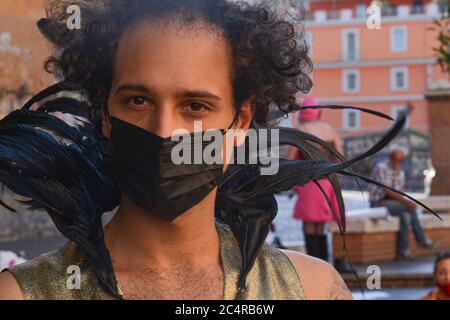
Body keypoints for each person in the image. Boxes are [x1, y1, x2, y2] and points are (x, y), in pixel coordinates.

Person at [0, 0, 355, 300]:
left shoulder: (311, 289)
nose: (164, 130)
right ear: (104, 112)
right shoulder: (23, 293)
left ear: (241, 121)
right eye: (138, 100)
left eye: (195, 106)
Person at [289, 97, 342, 262]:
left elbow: (289, 160)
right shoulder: (330, 130)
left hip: (308, 183)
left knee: (309, 226)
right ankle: (325, 263)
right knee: (320, 227)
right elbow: (340, 159)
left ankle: (313, 264)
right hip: (327, 183)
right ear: (319, 111)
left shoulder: (301, 130)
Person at [369, 148, 437, 261]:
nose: (399, 162)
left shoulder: (400, 172)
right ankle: (421, 239)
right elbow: (387, 190)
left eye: (401, 160)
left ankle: (403, 251)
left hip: (393, 204)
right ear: (391, 158)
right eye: (397, 159)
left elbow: (400, 190)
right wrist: (407, 202)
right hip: (378, 202)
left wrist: (406, 201)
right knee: (409, 208)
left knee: (406, 216)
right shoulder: (382, 168)